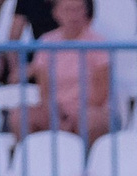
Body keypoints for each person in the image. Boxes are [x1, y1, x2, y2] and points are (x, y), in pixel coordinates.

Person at [10, 0, 113, 141]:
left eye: (78, 9)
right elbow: (44, 91)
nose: (73, 15)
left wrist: (74, 116)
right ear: (56, 13)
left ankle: (86, 153)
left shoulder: (98, 43)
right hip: (56, 110)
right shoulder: (46, 42)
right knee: (19, 117)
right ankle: (31, 153)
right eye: (68, 10)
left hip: (90, 109)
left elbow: (101, 92)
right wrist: (57, 117)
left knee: (90, 121)